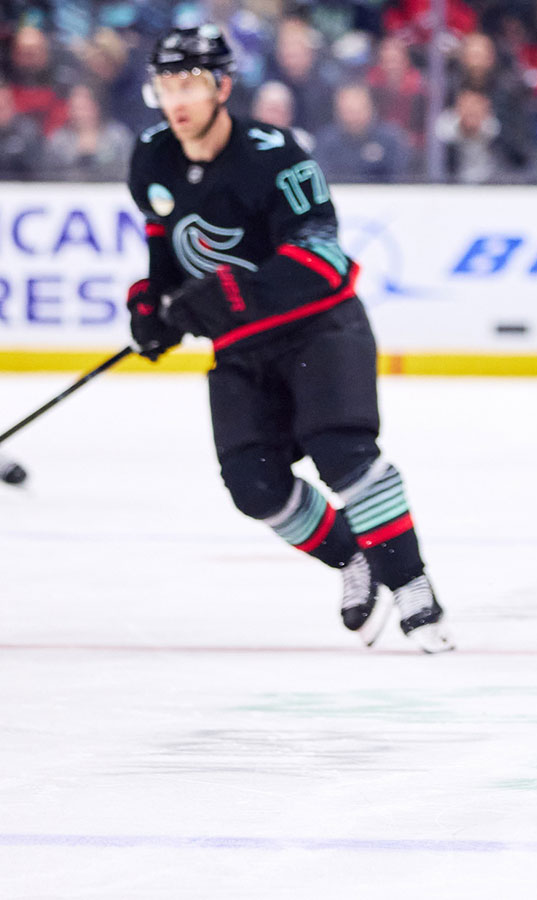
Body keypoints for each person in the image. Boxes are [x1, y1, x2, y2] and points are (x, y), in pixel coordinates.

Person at [124, 25, 452, 652]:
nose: (177, 100)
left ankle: (412, 583)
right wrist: (153, 304)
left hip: (319, 330)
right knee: (253, 484)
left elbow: (322, 255)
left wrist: (233, 294)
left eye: (190, 83)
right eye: (166, 86)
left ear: (223, 86)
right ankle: (354, 556)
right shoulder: (152, 156)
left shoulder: (276, 155)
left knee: (344, 455)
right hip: (241, 346)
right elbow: (165, 239)